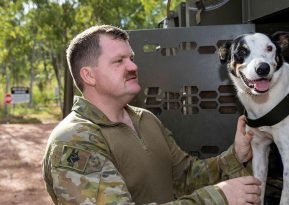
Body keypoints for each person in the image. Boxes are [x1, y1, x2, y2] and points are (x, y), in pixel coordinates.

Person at [42, 25, 261, 205]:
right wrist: (217, 198)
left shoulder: (145, 119)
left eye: (131, 58)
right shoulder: (74, 140)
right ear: (88, 76)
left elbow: (185, 176)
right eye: (119, 61)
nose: (133, 66)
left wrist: (236, 155)